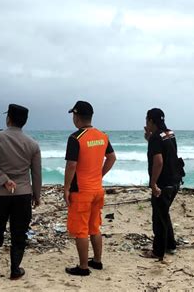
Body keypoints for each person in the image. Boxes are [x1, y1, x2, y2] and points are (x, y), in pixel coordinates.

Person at [0, 104, 42, 280]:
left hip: (0, 194)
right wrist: (37, 195)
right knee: (19, 232)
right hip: (23, 194)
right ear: (24, 122)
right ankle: (15, 270)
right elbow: (36, 173)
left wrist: (2, 179)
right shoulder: (32, 144)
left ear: (8, 119)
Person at [64, 101, 116, 276]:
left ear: (76, 117)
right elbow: (112, 158)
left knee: (81, 230)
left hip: (81, 191)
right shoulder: (102, 136)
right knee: (95, 227)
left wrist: (66, 188)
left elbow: (71, 165)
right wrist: (100, 175)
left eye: (73, 115)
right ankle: (98, 261)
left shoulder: (75, 138)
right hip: (97, 190)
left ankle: (83, 267)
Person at [143, 108, 183, 260]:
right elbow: (166, 151)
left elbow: (158, 161)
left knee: (158, 218)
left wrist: (153, 183)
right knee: (163, 213)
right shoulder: (169, 134)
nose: (146, 123)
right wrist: (149, 138)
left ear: (151, 121)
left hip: (163, 183)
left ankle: (157, 252)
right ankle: (170, 245)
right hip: (175, 180)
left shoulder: (155, 138)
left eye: (147, 120)